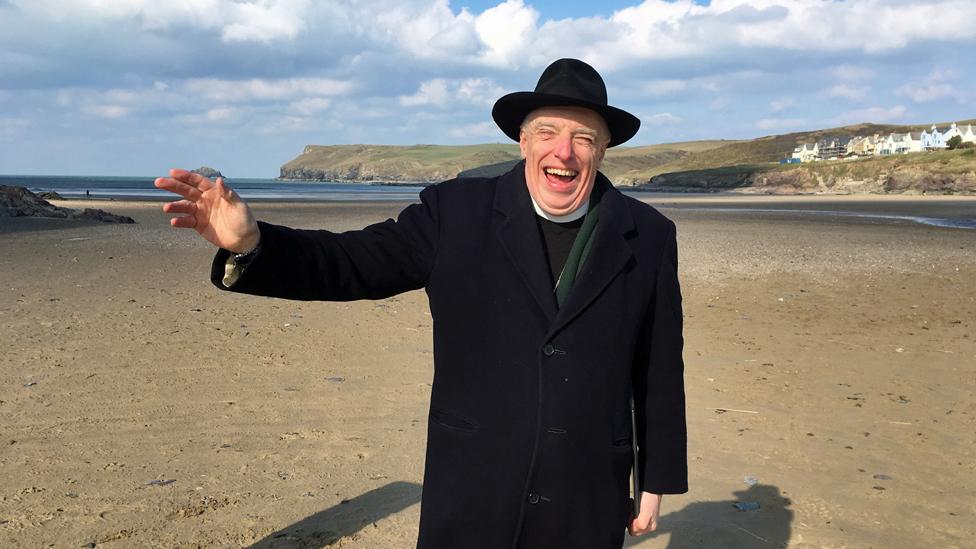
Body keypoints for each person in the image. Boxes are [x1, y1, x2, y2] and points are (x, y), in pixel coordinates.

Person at [155, 58, 687, 548]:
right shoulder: (454, 214)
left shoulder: (648, 235)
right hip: (474, 485)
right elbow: (352, 262)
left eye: (583, 138)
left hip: (587, 488)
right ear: (523, 142)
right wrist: (252, 244)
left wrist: (655, 477)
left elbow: (658, 366)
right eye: (547, 132)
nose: (563, 151)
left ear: (602, 149)